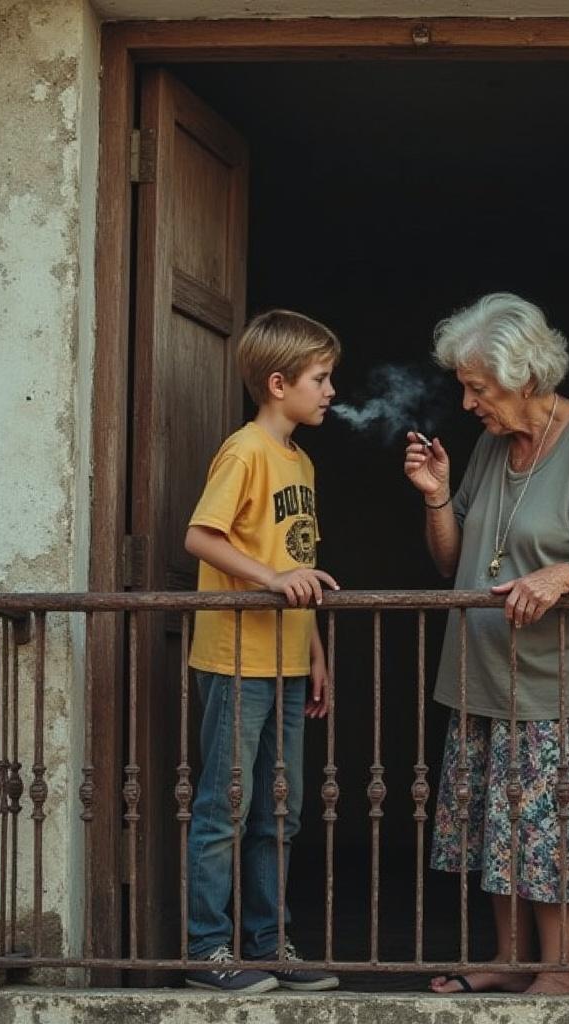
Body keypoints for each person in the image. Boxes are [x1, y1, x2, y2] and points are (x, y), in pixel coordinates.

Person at [403, 293, 569, 995]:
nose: (466, 403)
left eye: (477, 388)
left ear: (525, 377)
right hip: (484, 675)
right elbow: (451, 558)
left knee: (559, 829)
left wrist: (566, 575)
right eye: (464, 385)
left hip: (563, 684)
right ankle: (511, 956)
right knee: (497, 823)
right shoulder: (491, 448)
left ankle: (559, 973)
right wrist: (435, 495)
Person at [184, 309, 341, 993]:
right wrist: (272, 580)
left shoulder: (301, 460)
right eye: (321, 377)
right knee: (226, 807)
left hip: (283, 661)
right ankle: (207, 952)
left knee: (282, 809)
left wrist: (313, 653)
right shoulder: (245, 449)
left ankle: (270, 943)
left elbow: (299, 558)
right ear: (279, 384)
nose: (331, 390)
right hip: (235, 662)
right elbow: (202, 537)